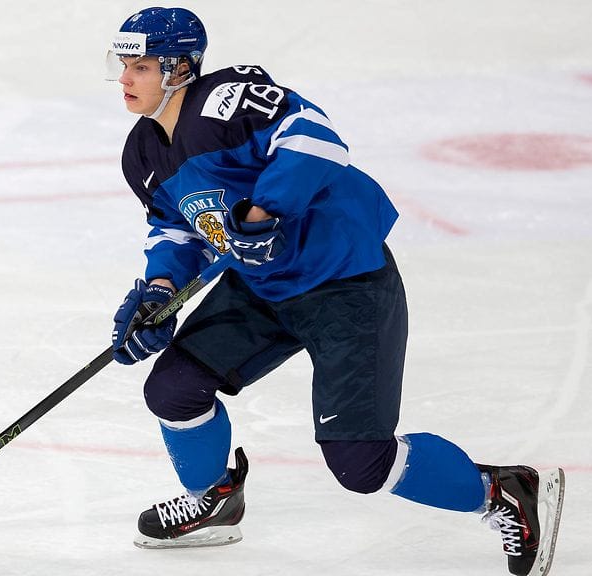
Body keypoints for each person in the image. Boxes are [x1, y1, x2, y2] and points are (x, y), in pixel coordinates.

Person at [105, 7, 565, 575]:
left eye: (141, 66)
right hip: (263, 288)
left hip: (345, 282)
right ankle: (215, 500)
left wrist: (266, 208)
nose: (125, 78)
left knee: (360, 463)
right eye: (123, 64)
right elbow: (177, 230)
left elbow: (316, 137)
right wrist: (159, 291)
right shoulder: (142, 154)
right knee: (174, 389)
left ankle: (502, 491)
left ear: (179, 68)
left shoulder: (226, 102)